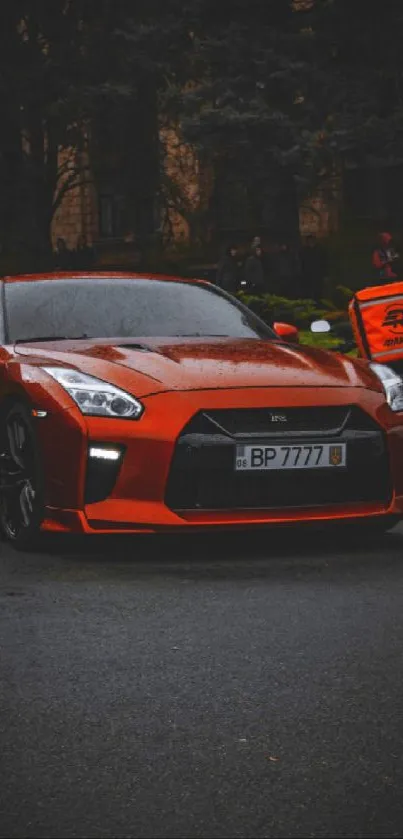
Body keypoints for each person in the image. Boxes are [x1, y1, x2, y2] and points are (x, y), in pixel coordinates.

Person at [300, 234, 327, 302]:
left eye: (312, 240)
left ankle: (318, 304)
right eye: (309, 240)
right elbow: (302, 262)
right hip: (307, 274)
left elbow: (324, 262)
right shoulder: (304, 250)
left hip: (318, 274)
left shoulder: (320, 250)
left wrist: (325, 275)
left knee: (318, 291)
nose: (311, 242)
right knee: (308, 291)